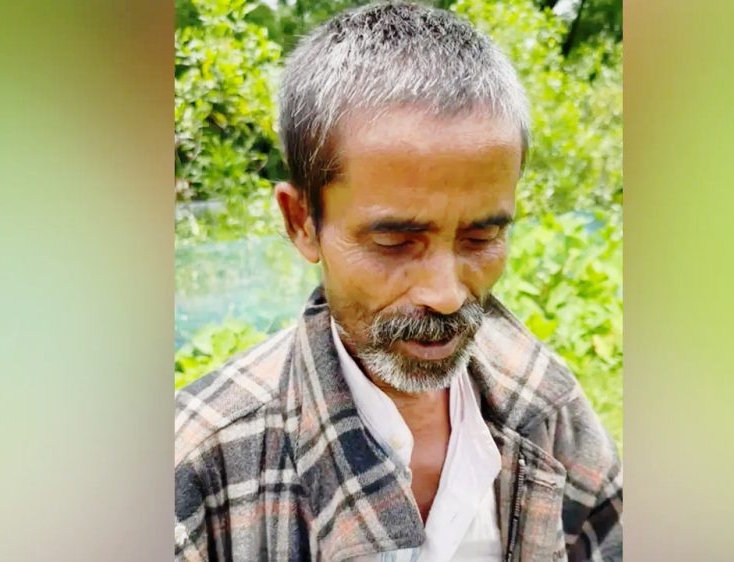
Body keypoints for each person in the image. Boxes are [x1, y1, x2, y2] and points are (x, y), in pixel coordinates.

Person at [174, 2, 622, 561]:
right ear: (302, 222)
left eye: (481, 238)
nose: (447, 295)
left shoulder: (547, 411)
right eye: (394, 242)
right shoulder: (201, 466)